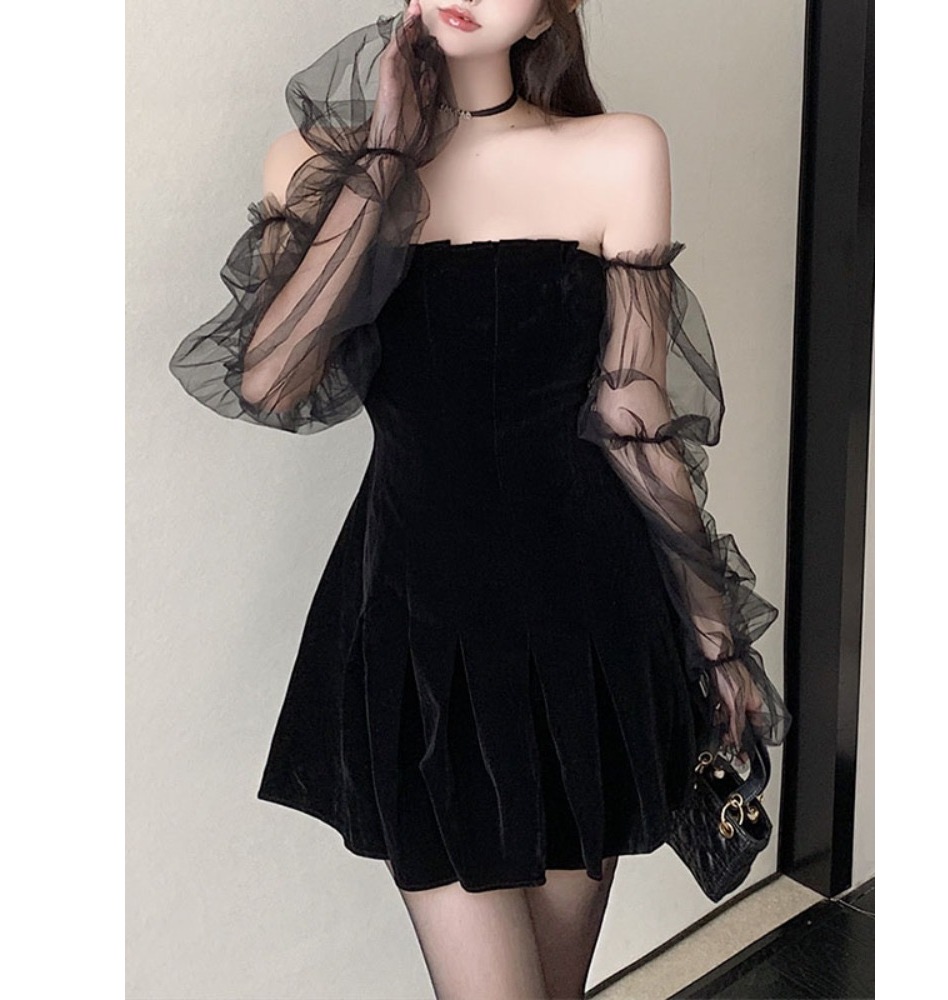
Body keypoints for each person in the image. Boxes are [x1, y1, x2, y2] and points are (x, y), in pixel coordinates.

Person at [168, 2, 791, 997]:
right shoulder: (315, 164)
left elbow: (634, 419)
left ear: (549, 11)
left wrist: (718, 640)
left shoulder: (619, 152)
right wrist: (383, 161)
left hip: (591, 621)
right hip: (421, 627)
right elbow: (271, 382)